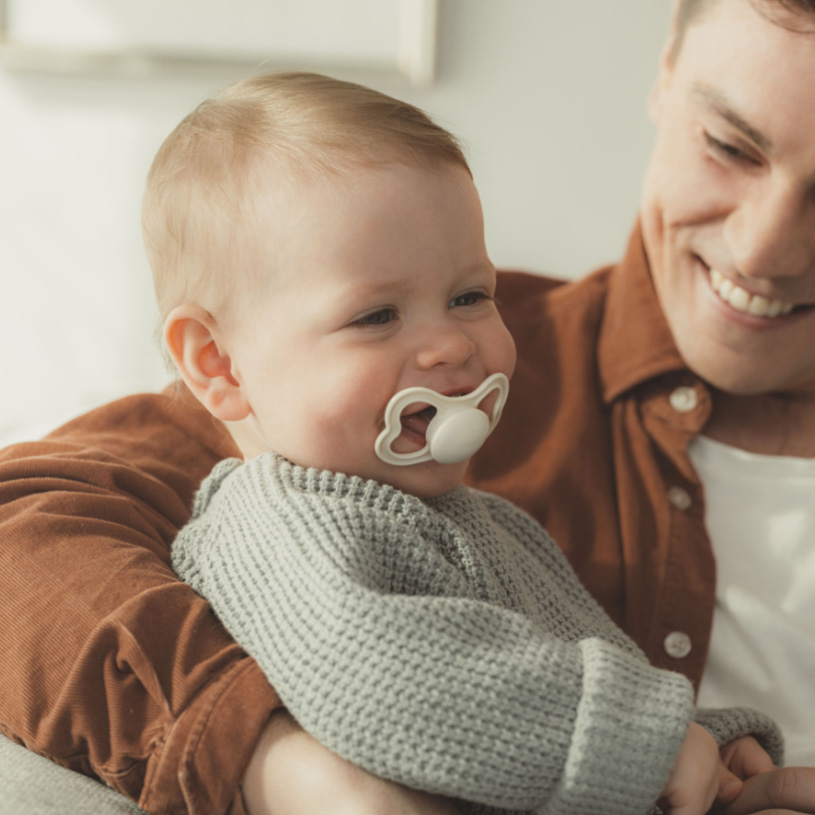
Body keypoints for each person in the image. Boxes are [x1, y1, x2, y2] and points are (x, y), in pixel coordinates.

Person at [0, 0, 813, 812]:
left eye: (469, 295)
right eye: (376, 315)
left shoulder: (487, 522)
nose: (450, 345)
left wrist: (707, 743)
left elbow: (591, 666)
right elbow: (374, 671)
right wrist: (282, 768)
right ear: (219, 364)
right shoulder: (282, 516)